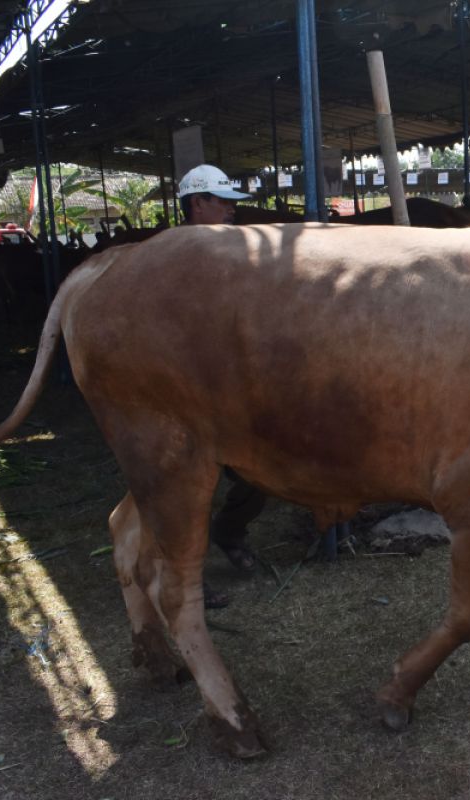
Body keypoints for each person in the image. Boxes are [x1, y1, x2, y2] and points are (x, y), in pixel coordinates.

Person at [178, 164, 261, 608]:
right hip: (187, 391)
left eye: (231, 201)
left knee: (260, 470)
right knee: (185, 483)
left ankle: (229, 531)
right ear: (197, 203)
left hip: (231, 385)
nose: (231, 209)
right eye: (221, 200)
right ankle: (188, 579)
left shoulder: (234, 250)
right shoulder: (171, 259)